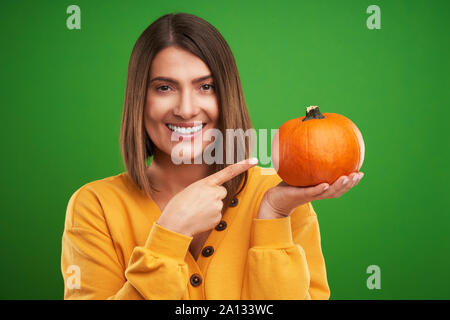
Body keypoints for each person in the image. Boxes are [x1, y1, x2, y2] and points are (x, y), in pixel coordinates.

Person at [60, 12, 363, 300]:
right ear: (140, 98)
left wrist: (273, 215)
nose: (187, 108)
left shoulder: (284, 199)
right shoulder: (95, 206)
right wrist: (170, 234)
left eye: (206, 86)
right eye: (164, 87)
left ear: (226, 94)